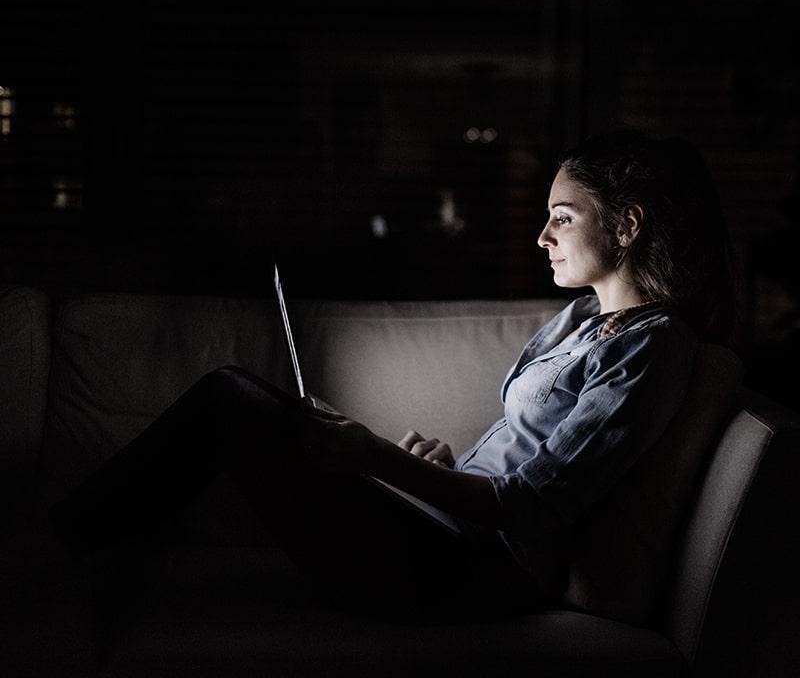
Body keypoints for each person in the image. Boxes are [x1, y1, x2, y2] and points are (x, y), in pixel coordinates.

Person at [49, 128, 736, 623]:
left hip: (476, 574)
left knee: (233, 400)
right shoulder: (583, 319)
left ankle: (55, 551)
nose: (542, 237)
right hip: (445, 532)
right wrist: (440, 468)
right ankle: (87, 551)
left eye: (562, 217)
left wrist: (375, 457)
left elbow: (531, 505)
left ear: (627, 225)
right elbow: (512, 457)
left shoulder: (654, 347)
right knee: (251, 408)